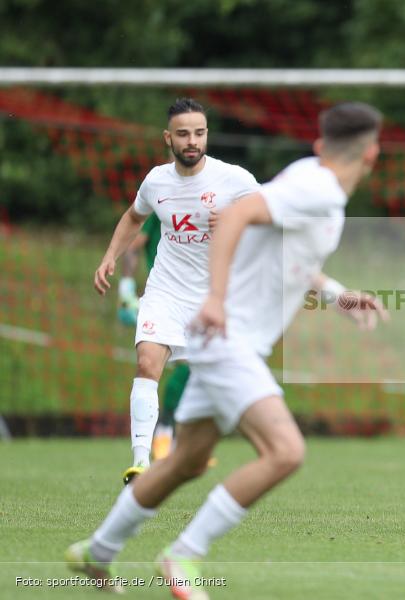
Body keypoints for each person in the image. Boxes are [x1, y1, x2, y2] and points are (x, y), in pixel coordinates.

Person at [66, 102, 387, 598]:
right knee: (285, 451)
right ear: (371, 155)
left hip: (229, 341)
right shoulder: (318, 188)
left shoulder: (311, 183)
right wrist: (216, 298)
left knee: (187, 462)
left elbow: (287, 255)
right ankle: (183, 554)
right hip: (228, 339)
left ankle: (97, 551)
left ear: (322, 144)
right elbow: (237, 215)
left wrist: (337, 295)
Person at [92, 98, 259, 484]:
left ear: (206, 135)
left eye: (199, 133)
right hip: (165, 291)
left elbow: (273, 217)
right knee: (147, 363)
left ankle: (199, 448)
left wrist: (235, 219)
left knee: (219, 383)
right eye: (183, 134)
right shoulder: (156, 181)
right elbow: (134, 217)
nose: (192, 141)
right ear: (168, 138)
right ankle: (141, 463)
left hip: (214, 297)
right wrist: (109, 257)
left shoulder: (233, 179)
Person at [116, 214, 190, 461]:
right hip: (165, 301)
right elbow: (133, 244)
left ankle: (180, 440)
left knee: (199, 370)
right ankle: (161, 436)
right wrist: (126, 287)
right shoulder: (159, 204)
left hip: (200, 296)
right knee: (151, 365)